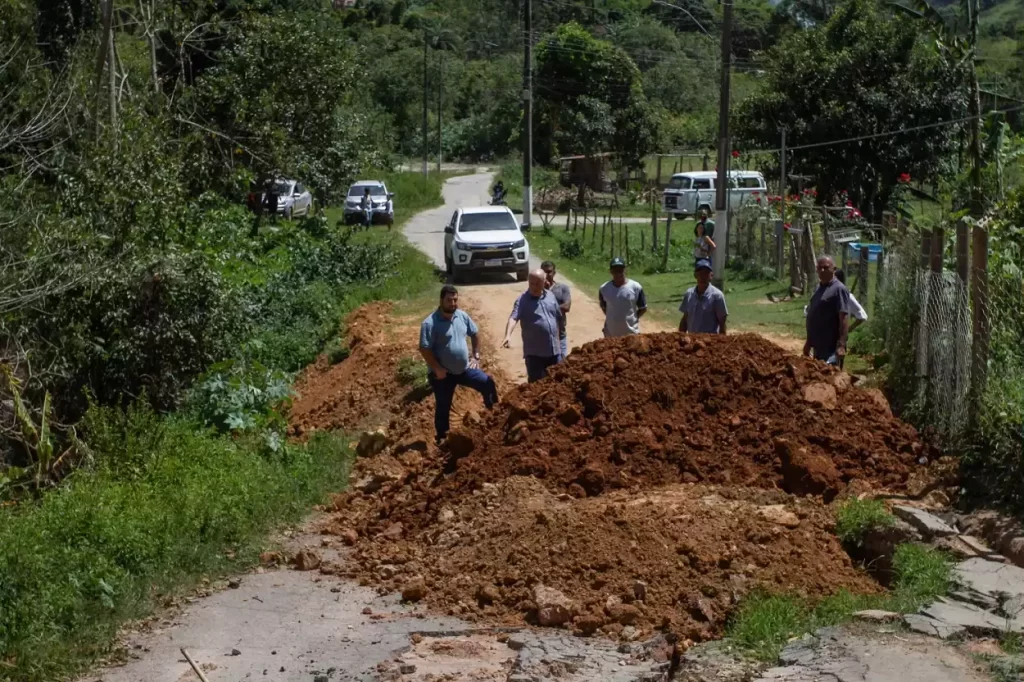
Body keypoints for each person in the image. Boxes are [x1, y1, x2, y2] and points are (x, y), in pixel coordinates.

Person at [419, 285, 498, 444]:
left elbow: (475, 333)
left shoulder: (462, 316)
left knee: (487, 383)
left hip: (464, 370)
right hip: (443, 374)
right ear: (441, 300)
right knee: (443, 405)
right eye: (449, 300)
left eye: (455, 300)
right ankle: (443, 438)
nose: (453, 304)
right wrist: (437, 368)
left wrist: (476, 356)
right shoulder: (430, 323)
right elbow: (424, 348)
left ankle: (496, 418)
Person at [502, 269, 563, 382]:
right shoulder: (522, 300)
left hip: (554, 352)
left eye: (538, 284)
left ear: (544, 282)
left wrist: (561, 338)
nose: (534, 287)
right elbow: (513, 318)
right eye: (532, 284)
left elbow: (558, 317)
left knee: (558, 385)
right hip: (535, 356)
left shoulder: (550, 296)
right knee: (537, 386)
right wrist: (507, 335)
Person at [804, 255, 851, 367]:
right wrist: (809, 342)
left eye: (826, 267)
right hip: (818, 346)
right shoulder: (818, 289)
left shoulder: (839, 289)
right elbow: (813, 317)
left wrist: (841, 345)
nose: (822, 270)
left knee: (828, 378)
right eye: (819, 268)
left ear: (834, 269)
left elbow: (843, 318)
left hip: (831, 348)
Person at [599, 257, 647, 337]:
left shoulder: (635, 287)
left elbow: (643, 308)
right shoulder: (604, 289)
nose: (618, 273)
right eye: (615, 270)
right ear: (610, 271)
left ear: (625, 270)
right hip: (611, 335)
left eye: (620, 270)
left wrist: (633, 319)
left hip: (631, 335)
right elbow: (604, 308)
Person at [679, 259, 728, 334]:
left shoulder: (717, 296)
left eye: (706, 273)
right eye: (700, 274)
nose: (703, 277)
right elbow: (685, 318)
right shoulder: (689, 294)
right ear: (695, 275)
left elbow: (722, 322)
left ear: (711, 276)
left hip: (709, 341)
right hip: (691, 340)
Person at [541, 260, 571, 358]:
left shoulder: (562, 288)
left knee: (562, 360)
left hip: (560, 332)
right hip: (542, 335)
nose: (547, 274)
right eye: (544, 272)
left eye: (549, 272)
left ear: (554, 273)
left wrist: (546, 307)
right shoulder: (537, 290)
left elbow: (567, 306)